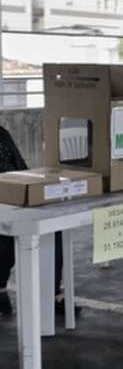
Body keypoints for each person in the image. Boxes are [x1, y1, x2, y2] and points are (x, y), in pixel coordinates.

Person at [0, 126, 76, 316]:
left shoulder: (1, 133)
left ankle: (51, 292)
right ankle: (0, 288)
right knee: (6, 237)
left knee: (52, 226)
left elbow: (22, 167)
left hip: (14, 197)